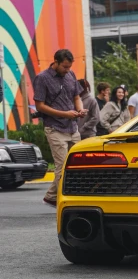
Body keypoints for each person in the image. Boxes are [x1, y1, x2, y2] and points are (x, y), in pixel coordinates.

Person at [33, 48, 86, 207]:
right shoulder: (42, 78)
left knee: (78, 166)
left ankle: (51, 197)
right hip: (55, 128)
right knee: (62, 168)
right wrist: (64, 114)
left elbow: (77, 96)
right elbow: (40, 106)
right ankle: (62, 201)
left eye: (69, 67)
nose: (67, 70)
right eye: (64, 67)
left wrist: (80, 109)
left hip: (73, 127)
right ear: (55, 62)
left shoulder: (70, 75)